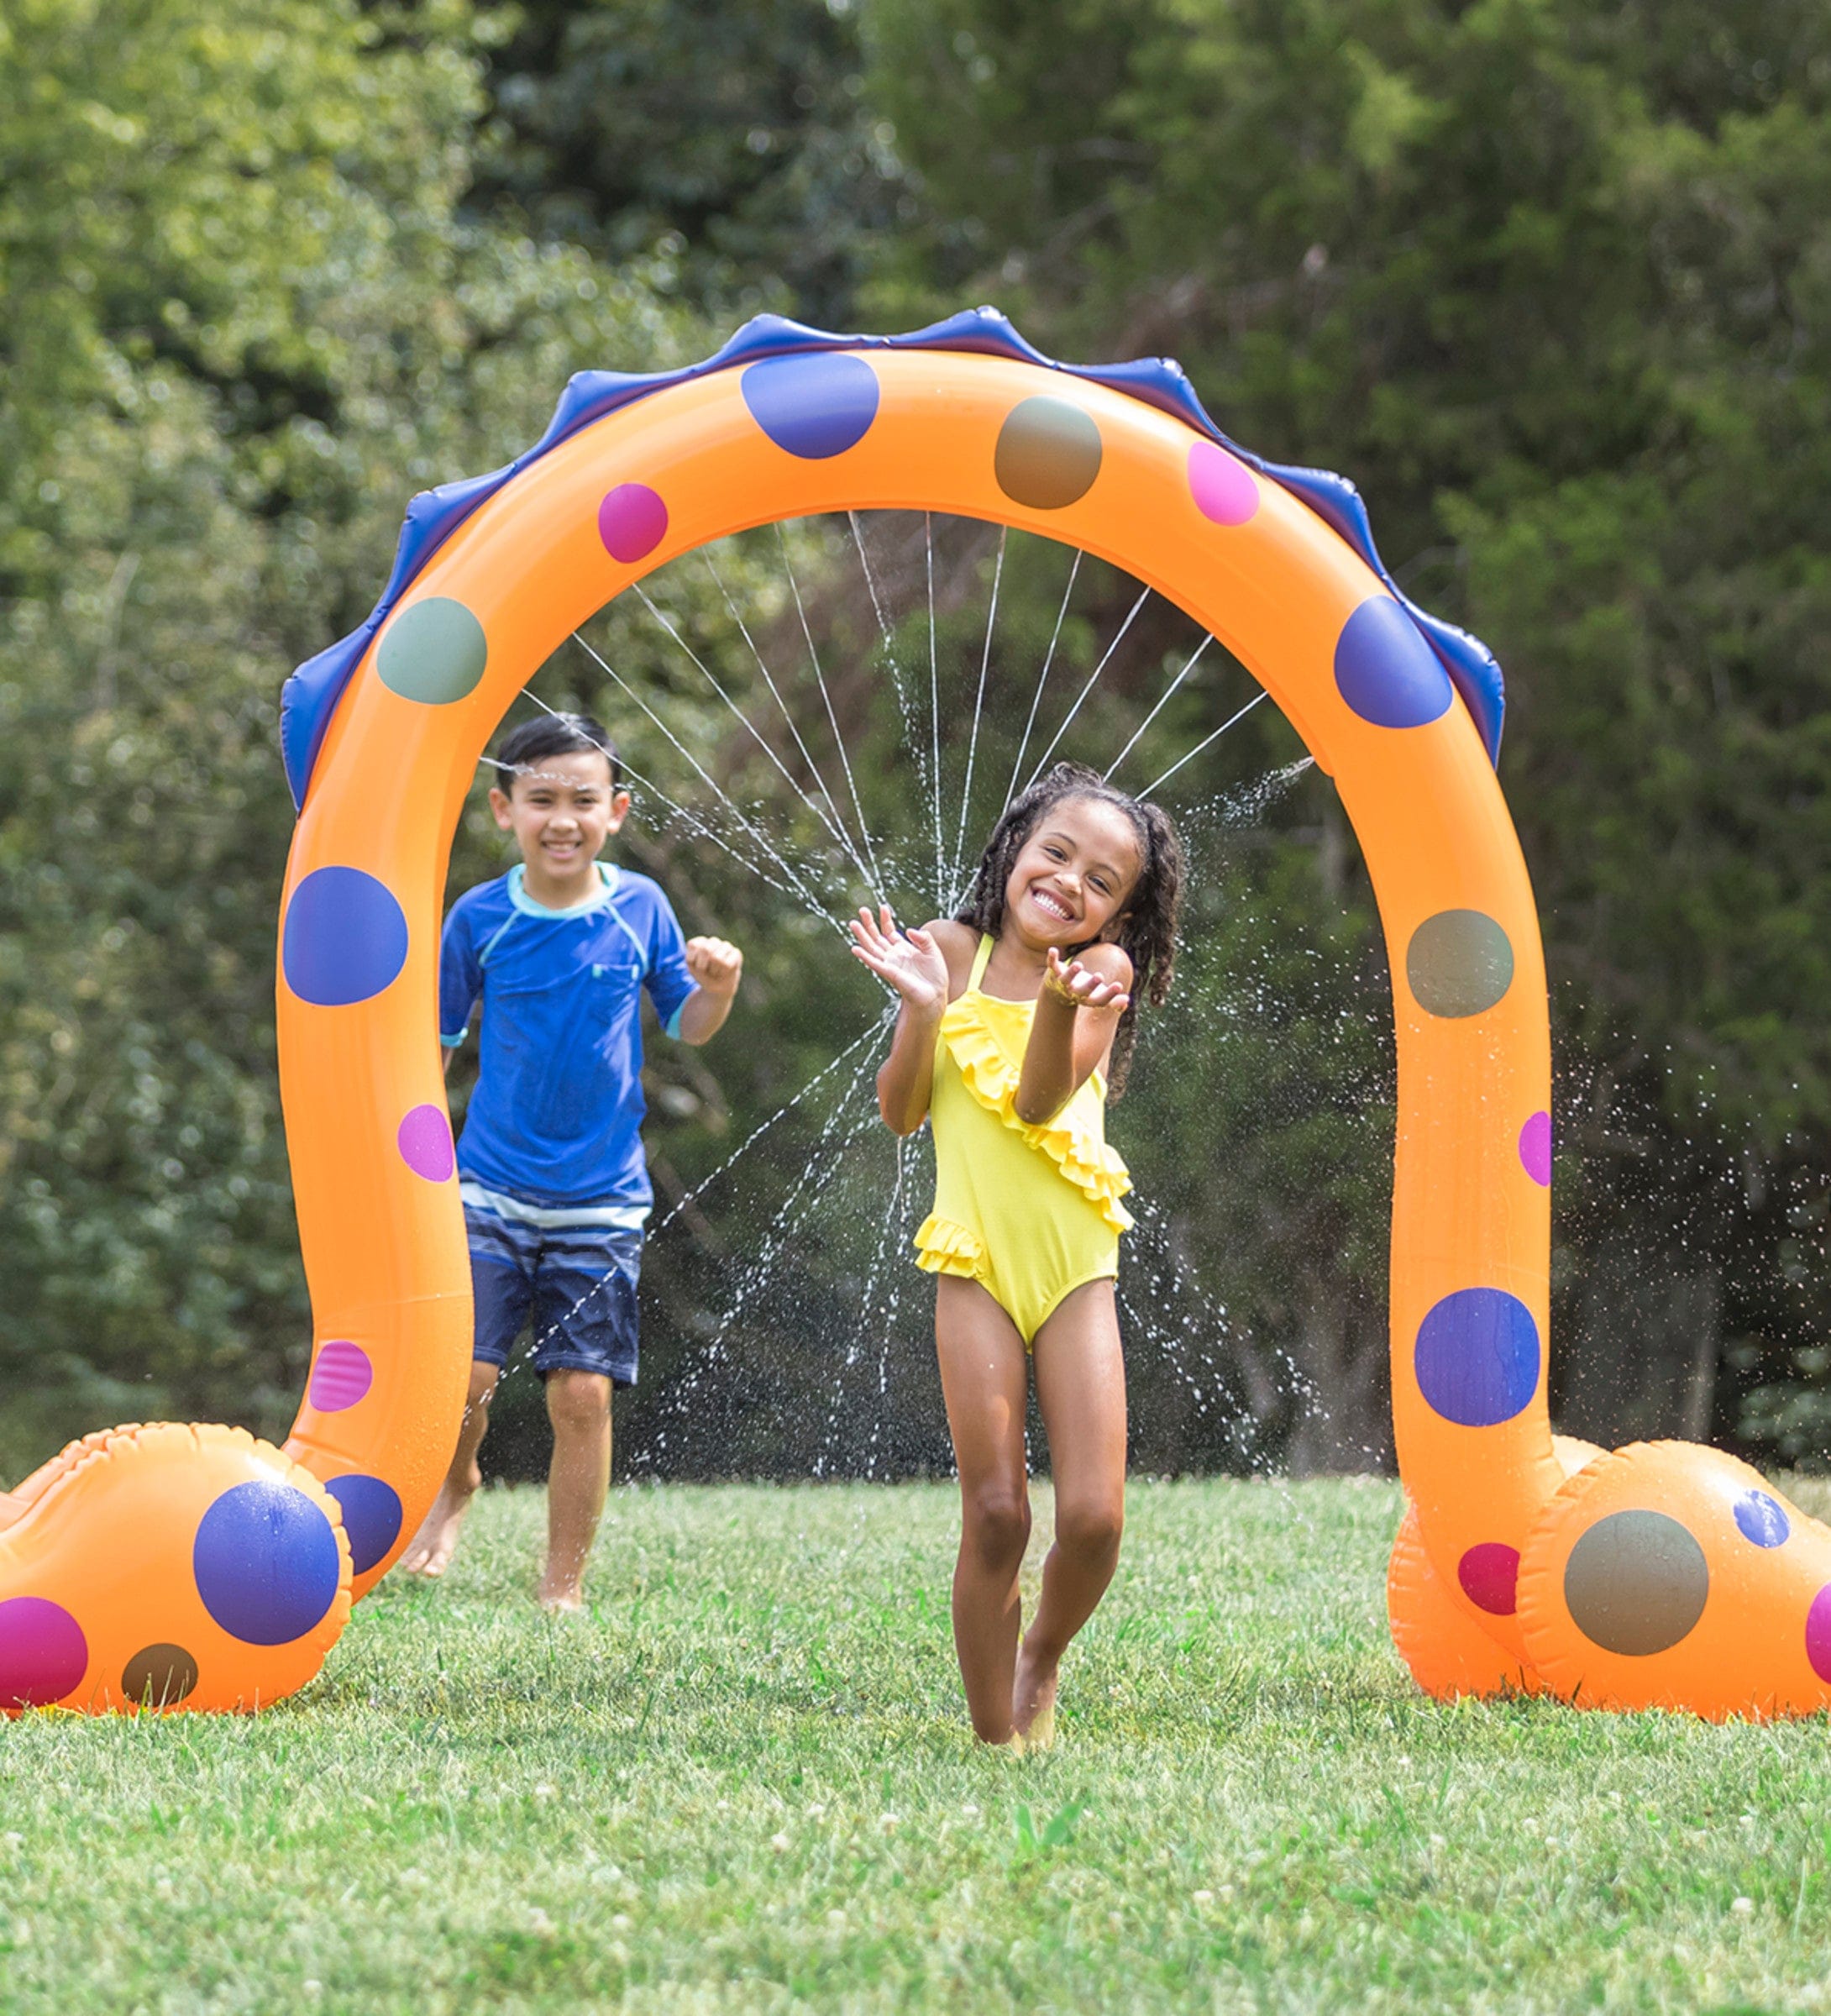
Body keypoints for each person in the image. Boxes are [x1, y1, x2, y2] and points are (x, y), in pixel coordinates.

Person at [848, 761, 1183, 1746]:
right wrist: (920, 1011)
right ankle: (994, 1738)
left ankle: (1042, 1652)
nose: (1068, 883)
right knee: (996, 1514)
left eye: (1100, 881)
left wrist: (1055, 1002)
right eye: (1056, 854)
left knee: (1092, 1521)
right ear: (1014, 850)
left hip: (1075, 1266)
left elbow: (1038, 1102)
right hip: (975, 1265)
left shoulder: (1100, 974)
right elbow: (902, 1115)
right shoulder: (946, 951)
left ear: (1118, 915)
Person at [401, 711, 742, 1608]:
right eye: (540, 799)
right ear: (502, 810)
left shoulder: (640, 911)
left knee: (582, 1394)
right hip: (488, 1188)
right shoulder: (479, 919)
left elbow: (688, 1026)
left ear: (617, 811)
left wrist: (718, 988)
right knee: (463, 1376)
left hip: (600, 1201)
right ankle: (456, 1480)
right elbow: (429, 1051)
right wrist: (410, 1169)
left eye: (582, 800)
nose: (562, 819)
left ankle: (562, 1587)